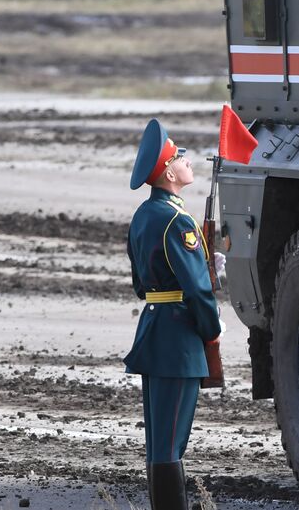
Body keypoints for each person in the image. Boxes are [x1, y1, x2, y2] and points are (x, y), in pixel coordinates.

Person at [124, 119, 222, 510]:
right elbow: (198, 290)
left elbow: (139, 283)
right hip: (179, 340)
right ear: (168, 172)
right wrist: (212, 329)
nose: (187, 161)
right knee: (170, 440)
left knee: (160, 437)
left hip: (154, 329)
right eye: (180, 156)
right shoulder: (178, 221)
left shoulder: (143, 217)